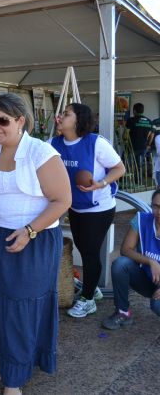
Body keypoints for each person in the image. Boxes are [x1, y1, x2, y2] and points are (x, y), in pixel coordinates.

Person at [0, 93, 71, 395]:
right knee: (3, 303)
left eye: (2, 121)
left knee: (22, 305)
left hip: (36, 240)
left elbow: (62, 200)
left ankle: (14, 379)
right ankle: (10, 361)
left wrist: (29, 231)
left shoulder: (41, 152)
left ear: (20, 121)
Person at [51, 103, 125, 318]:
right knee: (83, 250)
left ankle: (88, 299)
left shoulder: (96, 143)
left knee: (90, 253)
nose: (60, 117)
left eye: (66, 114)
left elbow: (120, 168)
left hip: (99, 208)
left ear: (79, 120)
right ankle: (92, 289)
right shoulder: (53, 143)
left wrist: (101, 183)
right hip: (74, 206)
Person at [102, 188, 160, 330]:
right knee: (120, 264)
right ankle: (123, 312)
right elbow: (125, 249)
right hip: (146, 278)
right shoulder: (142, 219)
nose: (159, 212)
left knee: (157, 305)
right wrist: (151, 261)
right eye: (155, 206)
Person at [125, 102, 153, 180]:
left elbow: (125, 134)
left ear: (134, 111)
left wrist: (124, 139)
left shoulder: (131, 120)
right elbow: (151, 135)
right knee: (139, 165)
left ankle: (122, 179)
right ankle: (138, 180)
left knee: (125, 162)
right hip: (143, 147)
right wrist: (148, 144)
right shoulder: (149, 121)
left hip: (132, 146)